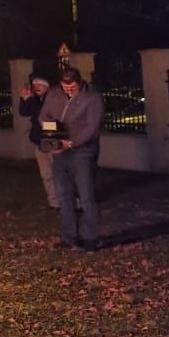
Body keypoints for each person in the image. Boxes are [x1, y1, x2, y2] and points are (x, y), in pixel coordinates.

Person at [36, 61, 104, 250]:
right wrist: (53, 134)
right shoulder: (54, 93)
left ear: (79, 83)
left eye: (73, 87)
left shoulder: (92, 97)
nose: (69, 91)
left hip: (83, 150)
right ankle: (69, 237)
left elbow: (92, 127)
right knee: (63, 195)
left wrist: (72, 143)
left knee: (86, 195)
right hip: (60, 150)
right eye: (66, 87)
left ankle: (91, 239)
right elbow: (43, 116)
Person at [18, 63, 58, 210]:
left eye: (39, 84)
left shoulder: (53, 99)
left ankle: (70, 200)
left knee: (59, 172)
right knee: (46, 174)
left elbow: (48, 118)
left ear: (46, 86)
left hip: (52, 140)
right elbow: (23, 112)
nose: (36, 88)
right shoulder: (35, 100)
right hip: (39, 141)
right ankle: (54, 202)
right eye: (35, 85)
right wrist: (24, 99)